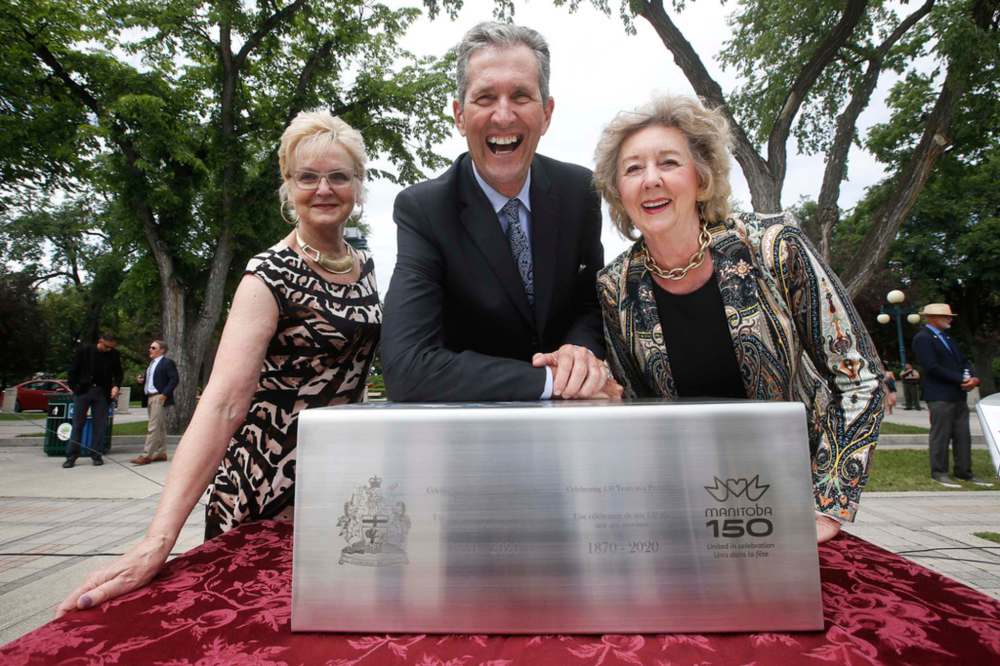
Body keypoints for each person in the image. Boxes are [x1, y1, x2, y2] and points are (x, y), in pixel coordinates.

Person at [57, 110, 381, 616]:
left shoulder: (367, 271)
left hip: (338, 488)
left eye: (338, 176)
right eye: (307, 176)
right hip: (264, 488)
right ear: (287, 185)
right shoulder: (268, 274)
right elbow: (223, 402)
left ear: (357, 186)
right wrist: (158, 536)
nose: (324, 188)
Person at [592, 95, 885, 543]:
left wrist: (828, 505)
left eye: (669, 162)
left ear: (702, 178)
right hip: (690, 513)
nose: (650, 179)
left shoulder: (773, 246)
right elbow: (637, 406)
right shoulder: (617, 287)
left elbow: (859, 377)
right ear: (618, 191)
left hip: (796, 505)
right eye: (633, 169)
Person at [381, 22, 621, 402]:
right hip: (469, 440)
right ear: (459, 115)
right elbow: (406, 366)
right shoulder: (423, 211)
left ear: (547, 112)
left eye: (521, 95)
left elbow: (588, 303)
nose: (504, 115)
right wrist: (549, 382)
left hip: (572, 432)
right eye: (485, 98)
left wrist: (580, 355)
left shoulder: (580, 192)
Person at [911, 303, 991, 488]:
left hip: (957, 394)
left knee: (963, 434)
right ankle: (939, 472)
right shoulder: (923, 338)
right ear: (932, 317)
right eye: (945, 316)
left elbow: (963, 361)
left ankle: (964, 472)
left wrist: (972, 377)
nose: (950, 319)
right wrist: (960, 379)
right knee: (941, 434)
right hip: (940, 394)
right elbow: (931, 367)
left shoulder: (947, 338)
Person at [63, 333, 123, 468]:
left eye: (111, 347)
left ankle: (96, 454)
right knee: (78, 424)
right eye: (107, 347)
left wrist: (116, 386)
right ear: (100, 341)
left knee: (99, 425)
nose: (109, 350)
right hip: (83, 391)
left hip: (102, 392)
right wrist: (75, 388)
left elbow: (118, 373)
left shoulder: (114, 354)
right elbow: (72, 371)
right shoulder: (84, 351)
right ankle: (71, 456)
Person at [130, 339, 179, 465]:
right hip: (150, 397)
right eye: (150, 347)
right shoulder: (151, 364)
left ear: (161, 350)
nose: (150, 349)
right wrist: (142, 380)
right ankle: (161, 453)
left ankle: (146, 455)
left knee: (152, 427)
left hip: (159, 397)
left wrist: (164, 394)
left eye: (153, 348)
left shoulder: (167, 363)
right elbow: (153, 380)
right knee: (160, 427)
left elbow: (174, 379)